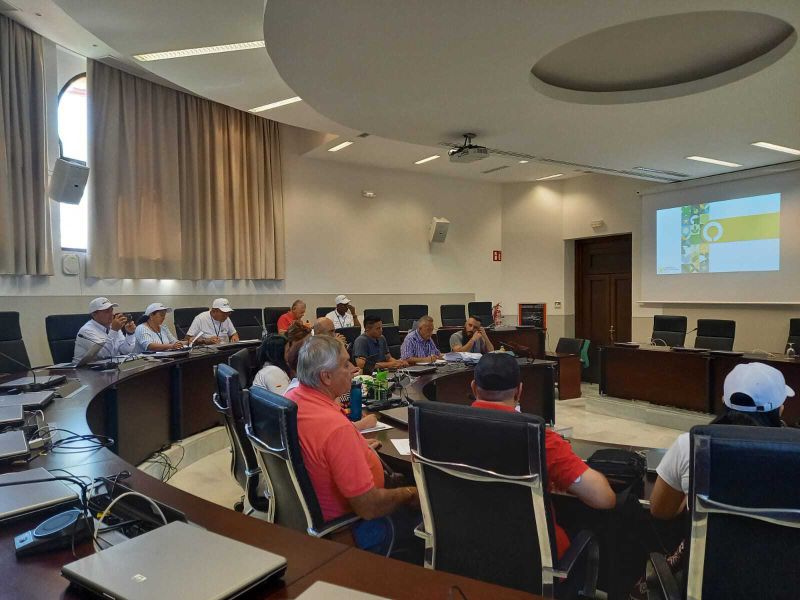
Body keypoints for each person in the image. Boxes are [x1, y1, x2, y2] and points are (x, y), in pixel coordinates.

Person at [628, 362, 793, 600]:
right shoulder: (793, 457)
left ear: (723, 402)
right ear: (780, 410)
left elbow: (660, 510)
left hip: (706, 585)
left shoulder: (690, 446)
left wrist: (693, 498)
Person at [469, 353, 616, 560]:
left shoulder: (444, 428)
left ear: (474, 388)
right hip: (534, 560)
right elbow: (604, 498)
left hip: (469, 554)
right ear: (520, 391)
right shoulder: (539, 438)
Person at [285, 335, 419, 555]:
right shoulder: (336, 429)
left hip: (307, 519)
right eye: (345, 364)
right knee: (429, 515)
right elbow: (370, 507)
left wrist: (356, 447)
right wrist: (409, 493)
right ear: (326, 377)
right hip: (349, 528)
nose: (353, 369)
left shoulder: (294, 397)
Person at [73, 297, 136, 363]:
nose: (112, 314)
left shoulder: (113, 326)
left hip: (108, 368)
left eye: (111, 310)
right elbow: (104, 355)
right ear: (94, 315)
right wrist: (114, 330)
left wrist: (130, 334)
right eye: (107, 311)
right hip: (83, 370)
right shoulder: (86, 330)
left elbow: (125, 351)